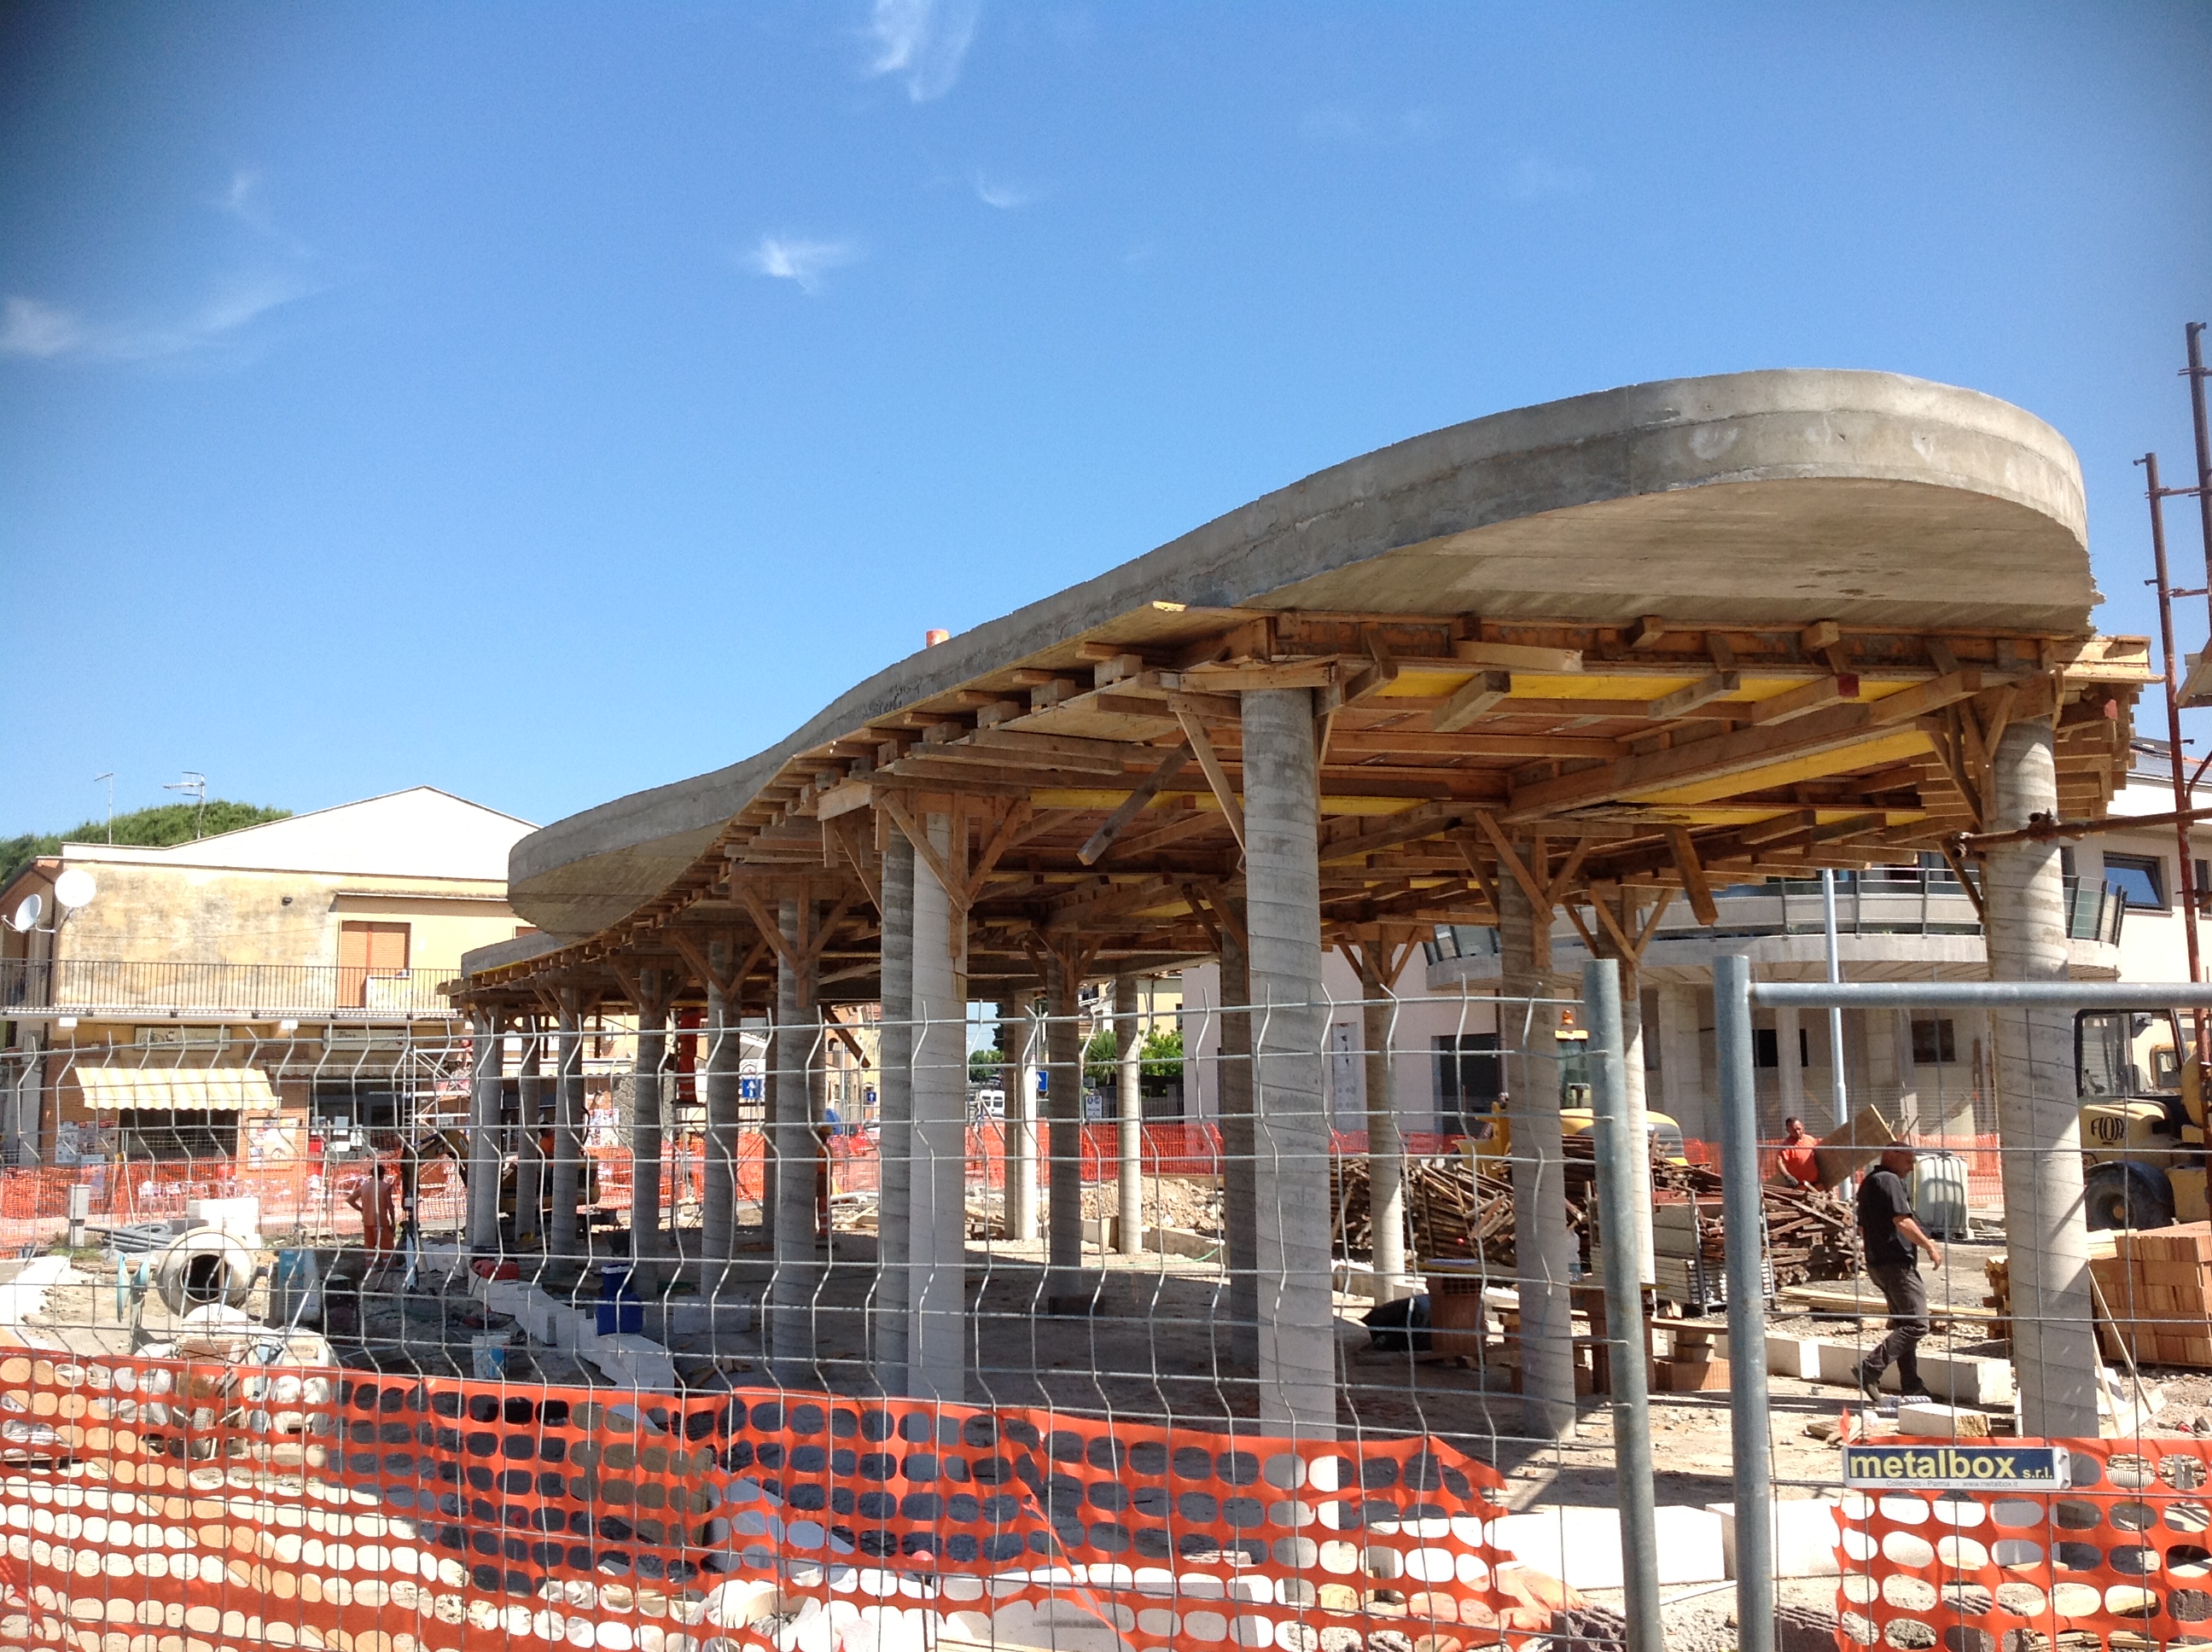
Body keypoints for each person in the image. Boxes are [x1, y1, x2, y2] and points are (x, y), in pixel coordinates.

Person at [1854, 1143, 1942, 1404]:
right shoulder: (1889, 1180)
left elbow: (1862, 1228)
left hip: (1879, 1264)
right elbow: (1902, 1221)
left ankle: (1911, 1385)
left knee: (1905, 1324)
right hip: (1896, 1265)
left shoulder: (1869, 1183)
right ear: (1891, 1155)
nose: (1911, 1167)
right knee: (1917, 1324)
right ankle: (1870, 1367)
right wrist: (1929, 1246)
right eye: (1908, 1160)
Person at [1777, 1116, 1820, 1188]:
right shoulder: (1787, 1145)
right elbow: (1779, 1162)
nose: (1797, 1132)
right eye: (1794, 1130)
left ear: (1802, 1126)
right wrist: (1787, 1176)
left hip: (1816, 1181)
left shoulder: (1810, 1139)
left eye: (1799, 1129)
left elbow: (1819, 1155)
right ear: (1787, 1130)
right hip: (1800, 1184)